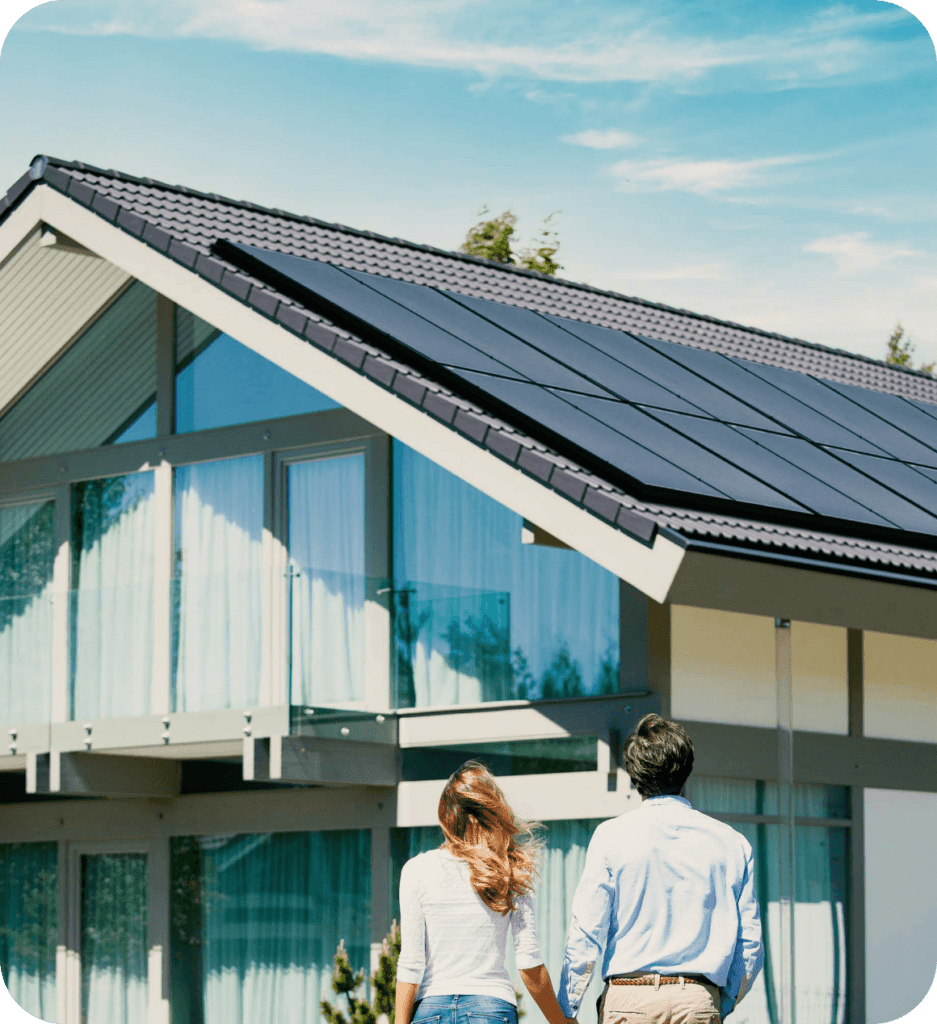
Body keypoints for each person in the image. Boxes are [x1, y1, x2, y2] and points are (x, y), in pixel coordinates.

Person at [557, 714, 764, 1024]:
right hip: (696, 997)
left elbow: (586, 932)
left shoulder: (610, 837)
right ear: (686, 768)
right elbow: (750, 945)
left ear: (634, 772)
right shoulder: (732, 843)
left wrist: (566, 1009)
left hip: (628, 998)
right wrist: (718, 1002)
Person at [395, 761, 569, 1024]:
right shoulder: (510, 869)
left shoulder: (415, 870)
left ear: (445, 817)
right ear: (493, 812)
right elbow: (528, 961)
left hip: (431, 1010)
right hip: (490, 1008)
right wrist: (561, 1021)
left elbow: (411, 964)